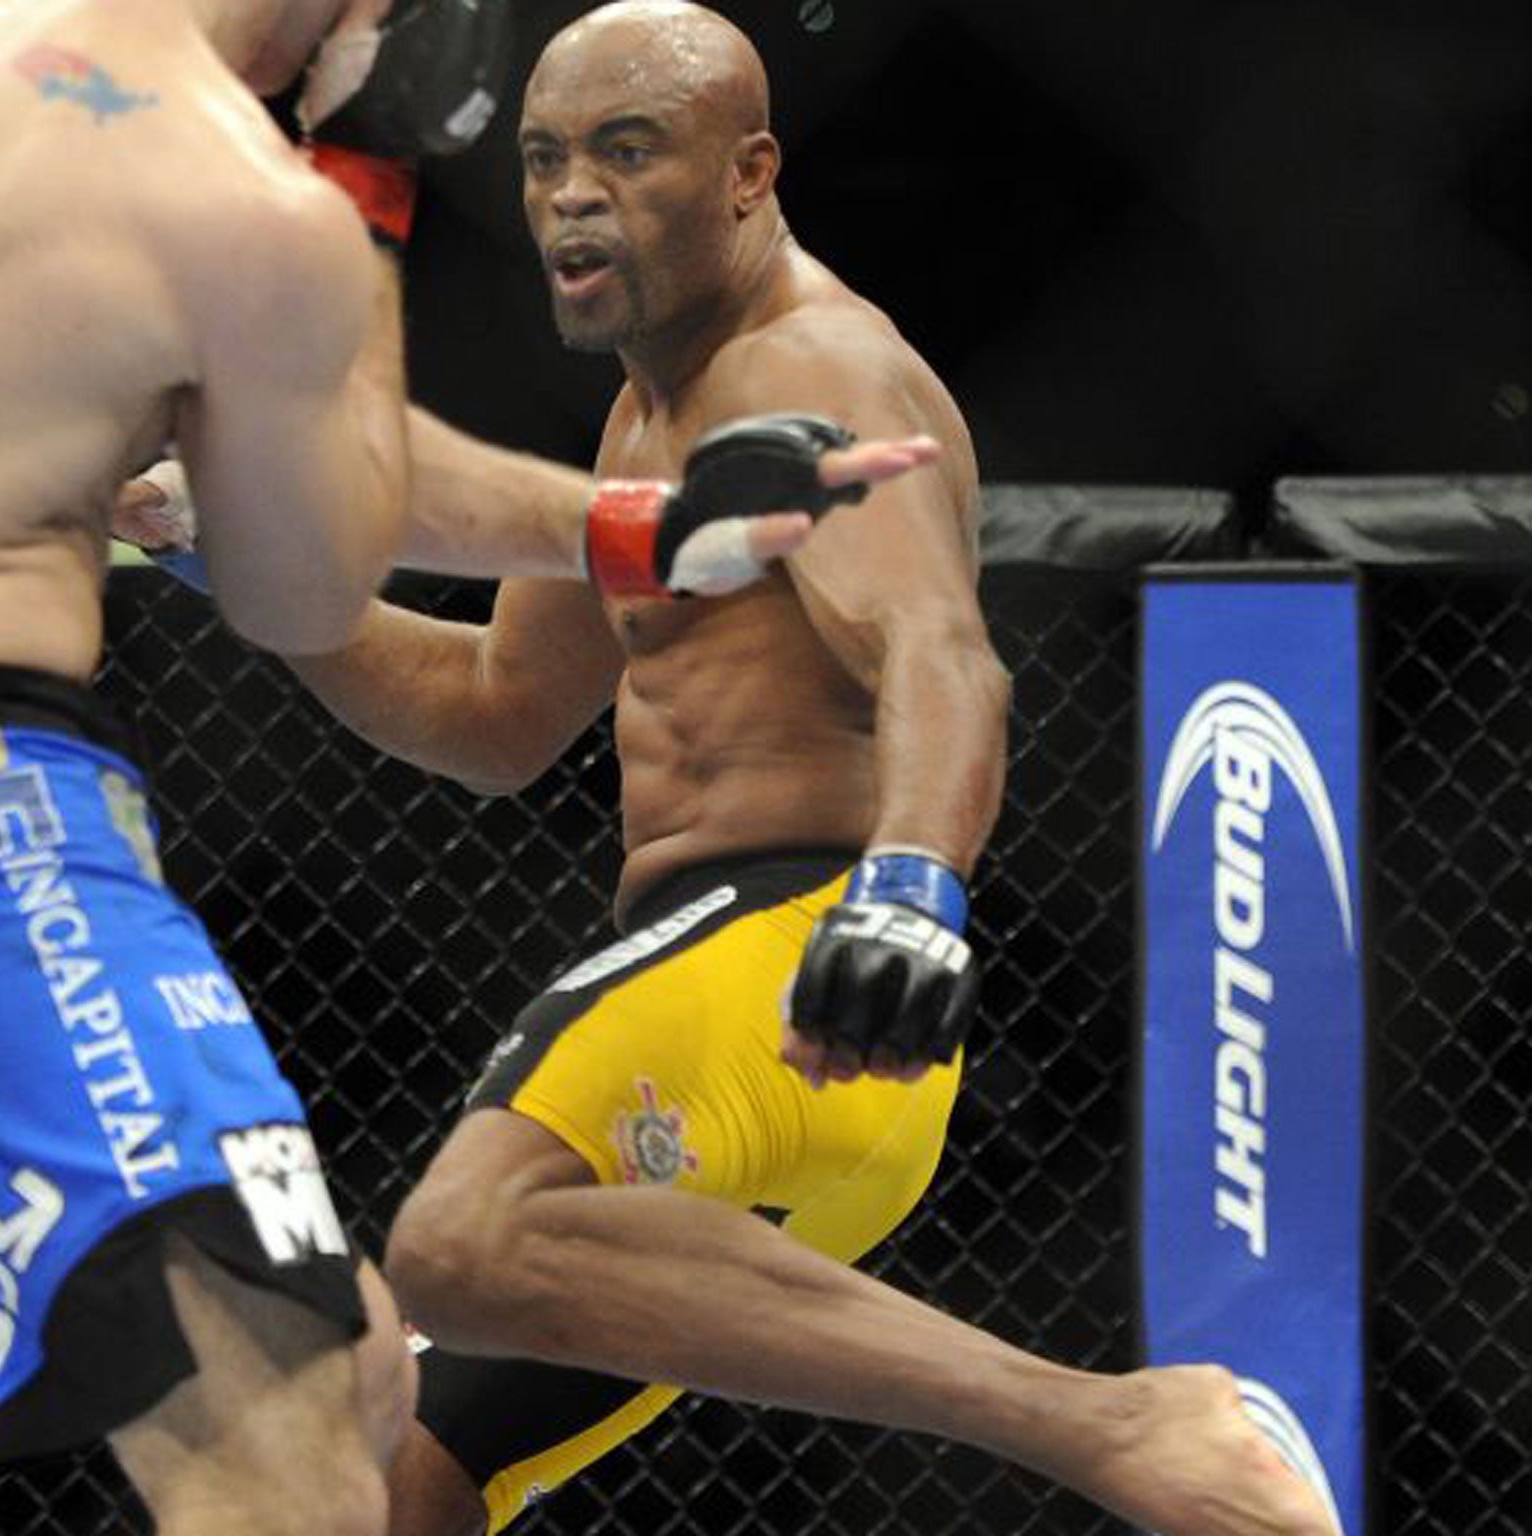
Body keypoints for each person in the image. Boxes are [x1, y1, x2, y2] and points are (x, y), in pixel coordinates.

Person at [0, 1, 938, 1532]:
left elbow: (370, 532)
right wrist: (370, 172)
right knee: (282, 1463)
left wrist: (639, 528)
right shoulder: (243, 194)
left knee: (351, 1378)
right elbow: (306, 570)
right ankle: (1123, 1433)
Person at [125, 4, 1339, 1534]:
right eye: (546, 158)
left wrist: (911, 891)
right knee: (390, 1488)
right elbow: (491, 714)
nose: (573, 196)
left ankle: (1112, 1423)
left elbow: (939, 652)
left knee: (459, 1242)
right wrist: (227, 557)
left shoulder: (810, 367)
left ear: (751, 170)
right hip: (757, 1079)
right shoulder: (644, 418)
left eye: (627, 152)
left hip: (790, 963)